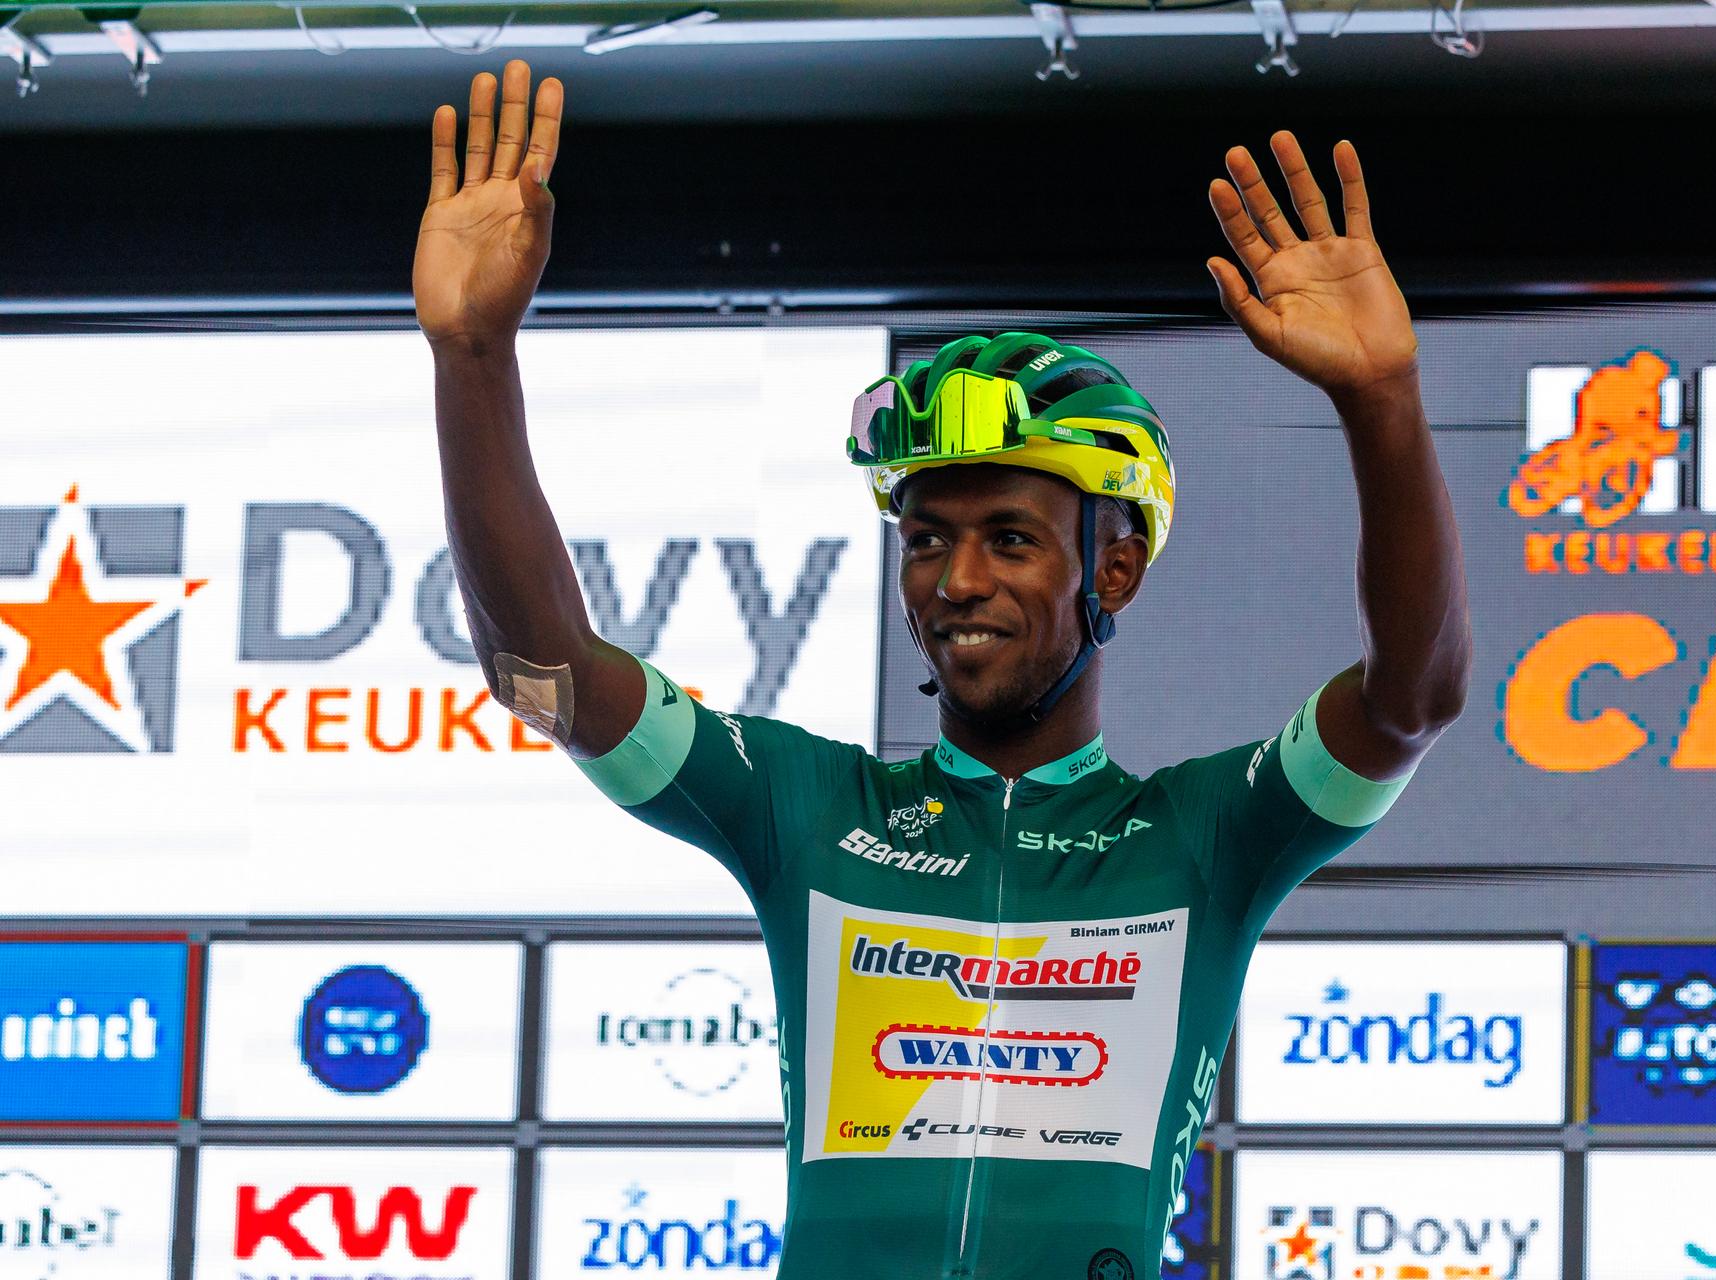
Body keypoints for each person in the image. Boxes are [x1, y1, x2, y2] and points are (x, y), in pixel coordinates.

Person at [416, 60, 1469, 1280]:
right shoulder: (812, 810)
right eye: (925, 539)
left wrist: (1383, 398)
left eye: (1009, 538)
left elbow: (1413, 695)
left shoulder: (1202, 836)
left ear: (1115, 568)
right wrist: (472, 355)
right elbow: (538, 670)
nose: (956, 579)